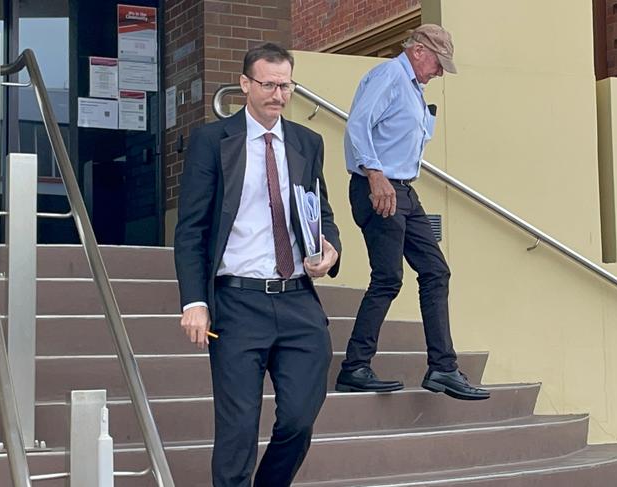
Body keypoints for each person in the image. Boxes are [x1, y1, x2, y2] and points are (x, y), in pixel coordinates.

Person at [174, 42, 341, 487]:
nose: (278, 94)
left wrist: (332, 249)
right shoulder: (213, 141)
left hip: (297, 300)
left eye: (286, 85)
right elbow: (191, 229)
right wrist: (194, 301)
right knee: (237, 431)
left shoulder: (308, 142)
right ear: (245, 84)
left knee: (300, 418)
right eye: (268, 84)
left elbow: (319, 210)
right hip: (236, 302)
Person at [335, 24, 489, 401]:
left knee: (436, 271)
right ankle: (354, 367)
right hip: (380, 189)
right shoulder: (389, 75)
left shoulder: (413, 89)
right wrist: (375, 175)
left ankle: (443, 368)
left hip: (404, 190)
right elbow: (357, 124)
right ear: (419, 51)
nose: (440, 72)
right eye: (438, 63)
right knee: (388, 278)